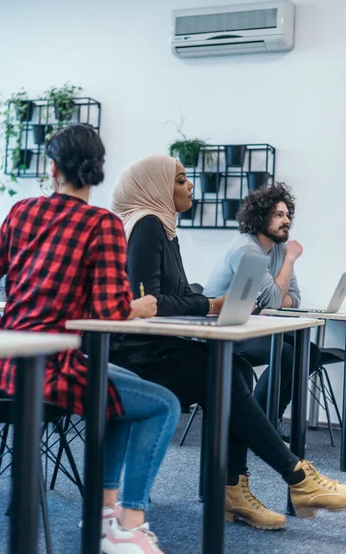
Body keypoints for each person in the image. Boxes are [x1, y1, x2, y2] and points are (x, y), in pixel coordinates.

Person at [0, 125, 181, 554]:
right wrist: (140, 306)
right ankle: (128, 524)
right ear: (97, 172)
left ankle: (104, 513)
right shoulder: (102, 224)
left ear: (53, 168)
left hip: (5, 366)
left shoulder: (21, 211)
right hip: (56, 368)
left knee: (119, 392)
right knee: (163, 405)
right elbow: (109, 311)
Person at [110, 154, 346, 531]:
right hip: (136, 354)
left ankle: (233, 490)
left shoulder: (164, 228)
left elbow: (180, 292)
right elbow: (149, 300)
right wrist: (208, 304)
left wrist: (210, 306)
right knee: (224, 371)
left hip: (155, 347)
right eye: (182, 180)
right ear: (154, 187)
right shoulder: (148, 223)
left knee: (233, 366)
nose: (191, 186)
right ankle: (296, 477)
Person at [204, 183, 321, 441]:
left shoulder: (278, 248)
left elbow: (294, 297)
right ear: (260, 217)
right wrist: (290, 261)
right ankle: (261, 421)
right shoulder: (247, 248)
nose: (286, 220)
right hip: (221, 330)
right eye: (278, 214)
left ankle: (262, 417)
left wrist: (277, 296)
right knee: (285, 352)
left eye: (287, 214)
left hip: (248, 327)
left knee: (308, 352)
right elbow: (275, 298)